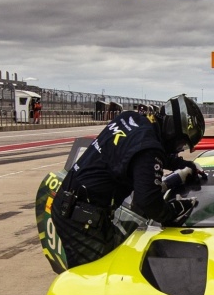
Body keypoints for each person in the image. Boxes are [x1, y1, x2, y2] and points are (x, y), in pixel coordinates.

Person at [47, 96, 205, 269]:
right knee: (100, 277)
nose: (179, 148)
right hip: (81, 220)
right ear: (172, 129)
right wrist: (175, 211)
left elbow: (139, 152)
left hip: (70, 204)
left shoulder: (131, 119)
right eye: (181, 144)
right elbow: (149, 202)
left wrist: (183, 164)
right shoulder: (150, 149)